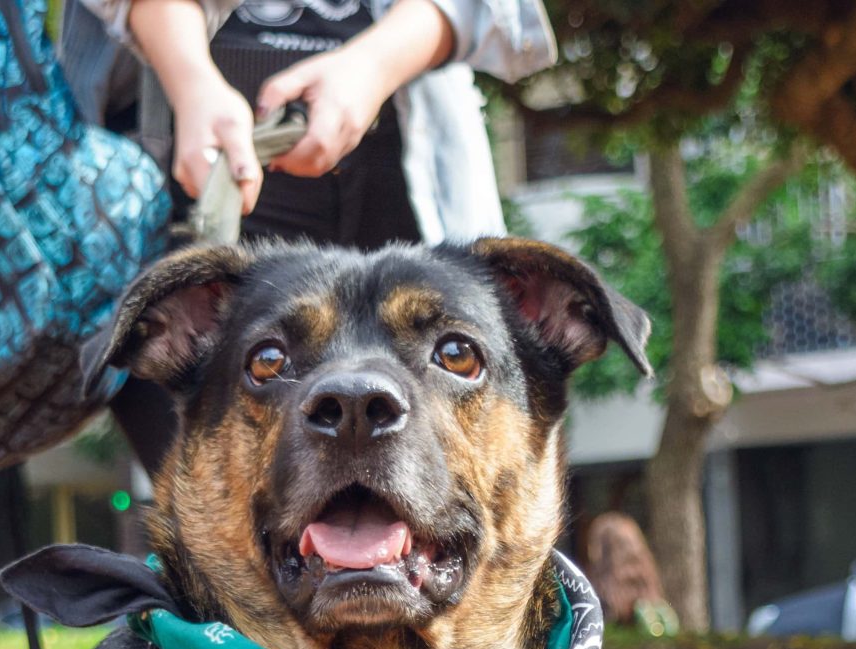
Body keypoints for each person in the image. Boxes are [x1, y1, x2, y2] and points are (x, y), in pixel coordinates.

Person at [70, 0, 554, 469]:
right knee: (221, 523)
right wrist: (191, 80)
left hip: (402, 170)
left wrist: (373, 65)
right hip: (191, 170)